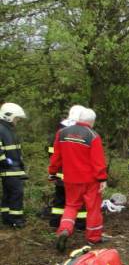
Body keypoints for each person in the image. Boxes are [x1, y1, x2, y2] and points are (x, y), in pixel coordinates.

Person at [50, 108, 108, 251]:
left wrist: (52, 172)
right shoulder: (93, 136)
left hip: (70, 178)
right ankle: (94, 238)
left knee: (71, 206)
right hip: (90, 180)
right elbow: (98, 161)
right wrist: (102, 179)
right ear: (92, 121)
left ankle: (65, 229)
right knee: (93, 208)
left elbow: (56, 156)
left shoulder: (62, 133)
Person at [47, 105, 88, 228]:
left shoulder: (60, 131)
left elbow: (53, 153)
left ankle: (56, 222)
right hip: (77, 174)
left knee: (60, 198)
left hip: (61, 173)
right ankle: (80, 224)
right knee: (79, 200)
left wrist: (53, 171)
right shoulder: (83, 132)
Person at [0, 103, 28, 228]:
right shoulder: (2, 129)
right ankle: (16, 219)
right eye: (16, 118)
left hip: (14, 168)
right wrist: (4, 160)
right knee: (17, 193)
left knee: (9, 193)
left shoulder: (8, 129)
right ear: (8, 116)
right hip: (9, 169)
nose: (17, 121)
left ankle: (7, 218)